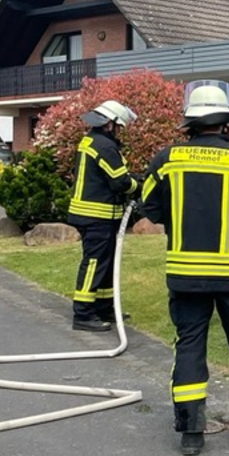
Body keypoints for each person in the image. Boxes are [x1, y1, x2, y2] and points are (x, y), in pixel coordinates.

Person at [140, 80, 229, 456]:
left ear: (189, 125)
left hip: (186, 275)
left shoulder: (167, 159)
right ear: (225, 125)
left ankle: (191, 433)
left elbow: (148, 207)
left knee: (189, 345)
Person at [67, 100, 139, 333]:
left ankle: (105, 307)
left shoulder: (91, 141)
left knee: (105, 265)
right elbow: (121, 182)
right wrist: (140, 185)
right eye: (119, 128)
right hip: (96, 217)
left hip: (95, 215)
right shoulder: (105, 146)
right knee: (95, 264)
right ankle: (84, 313)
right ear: (110, 124)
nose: (120, 133)